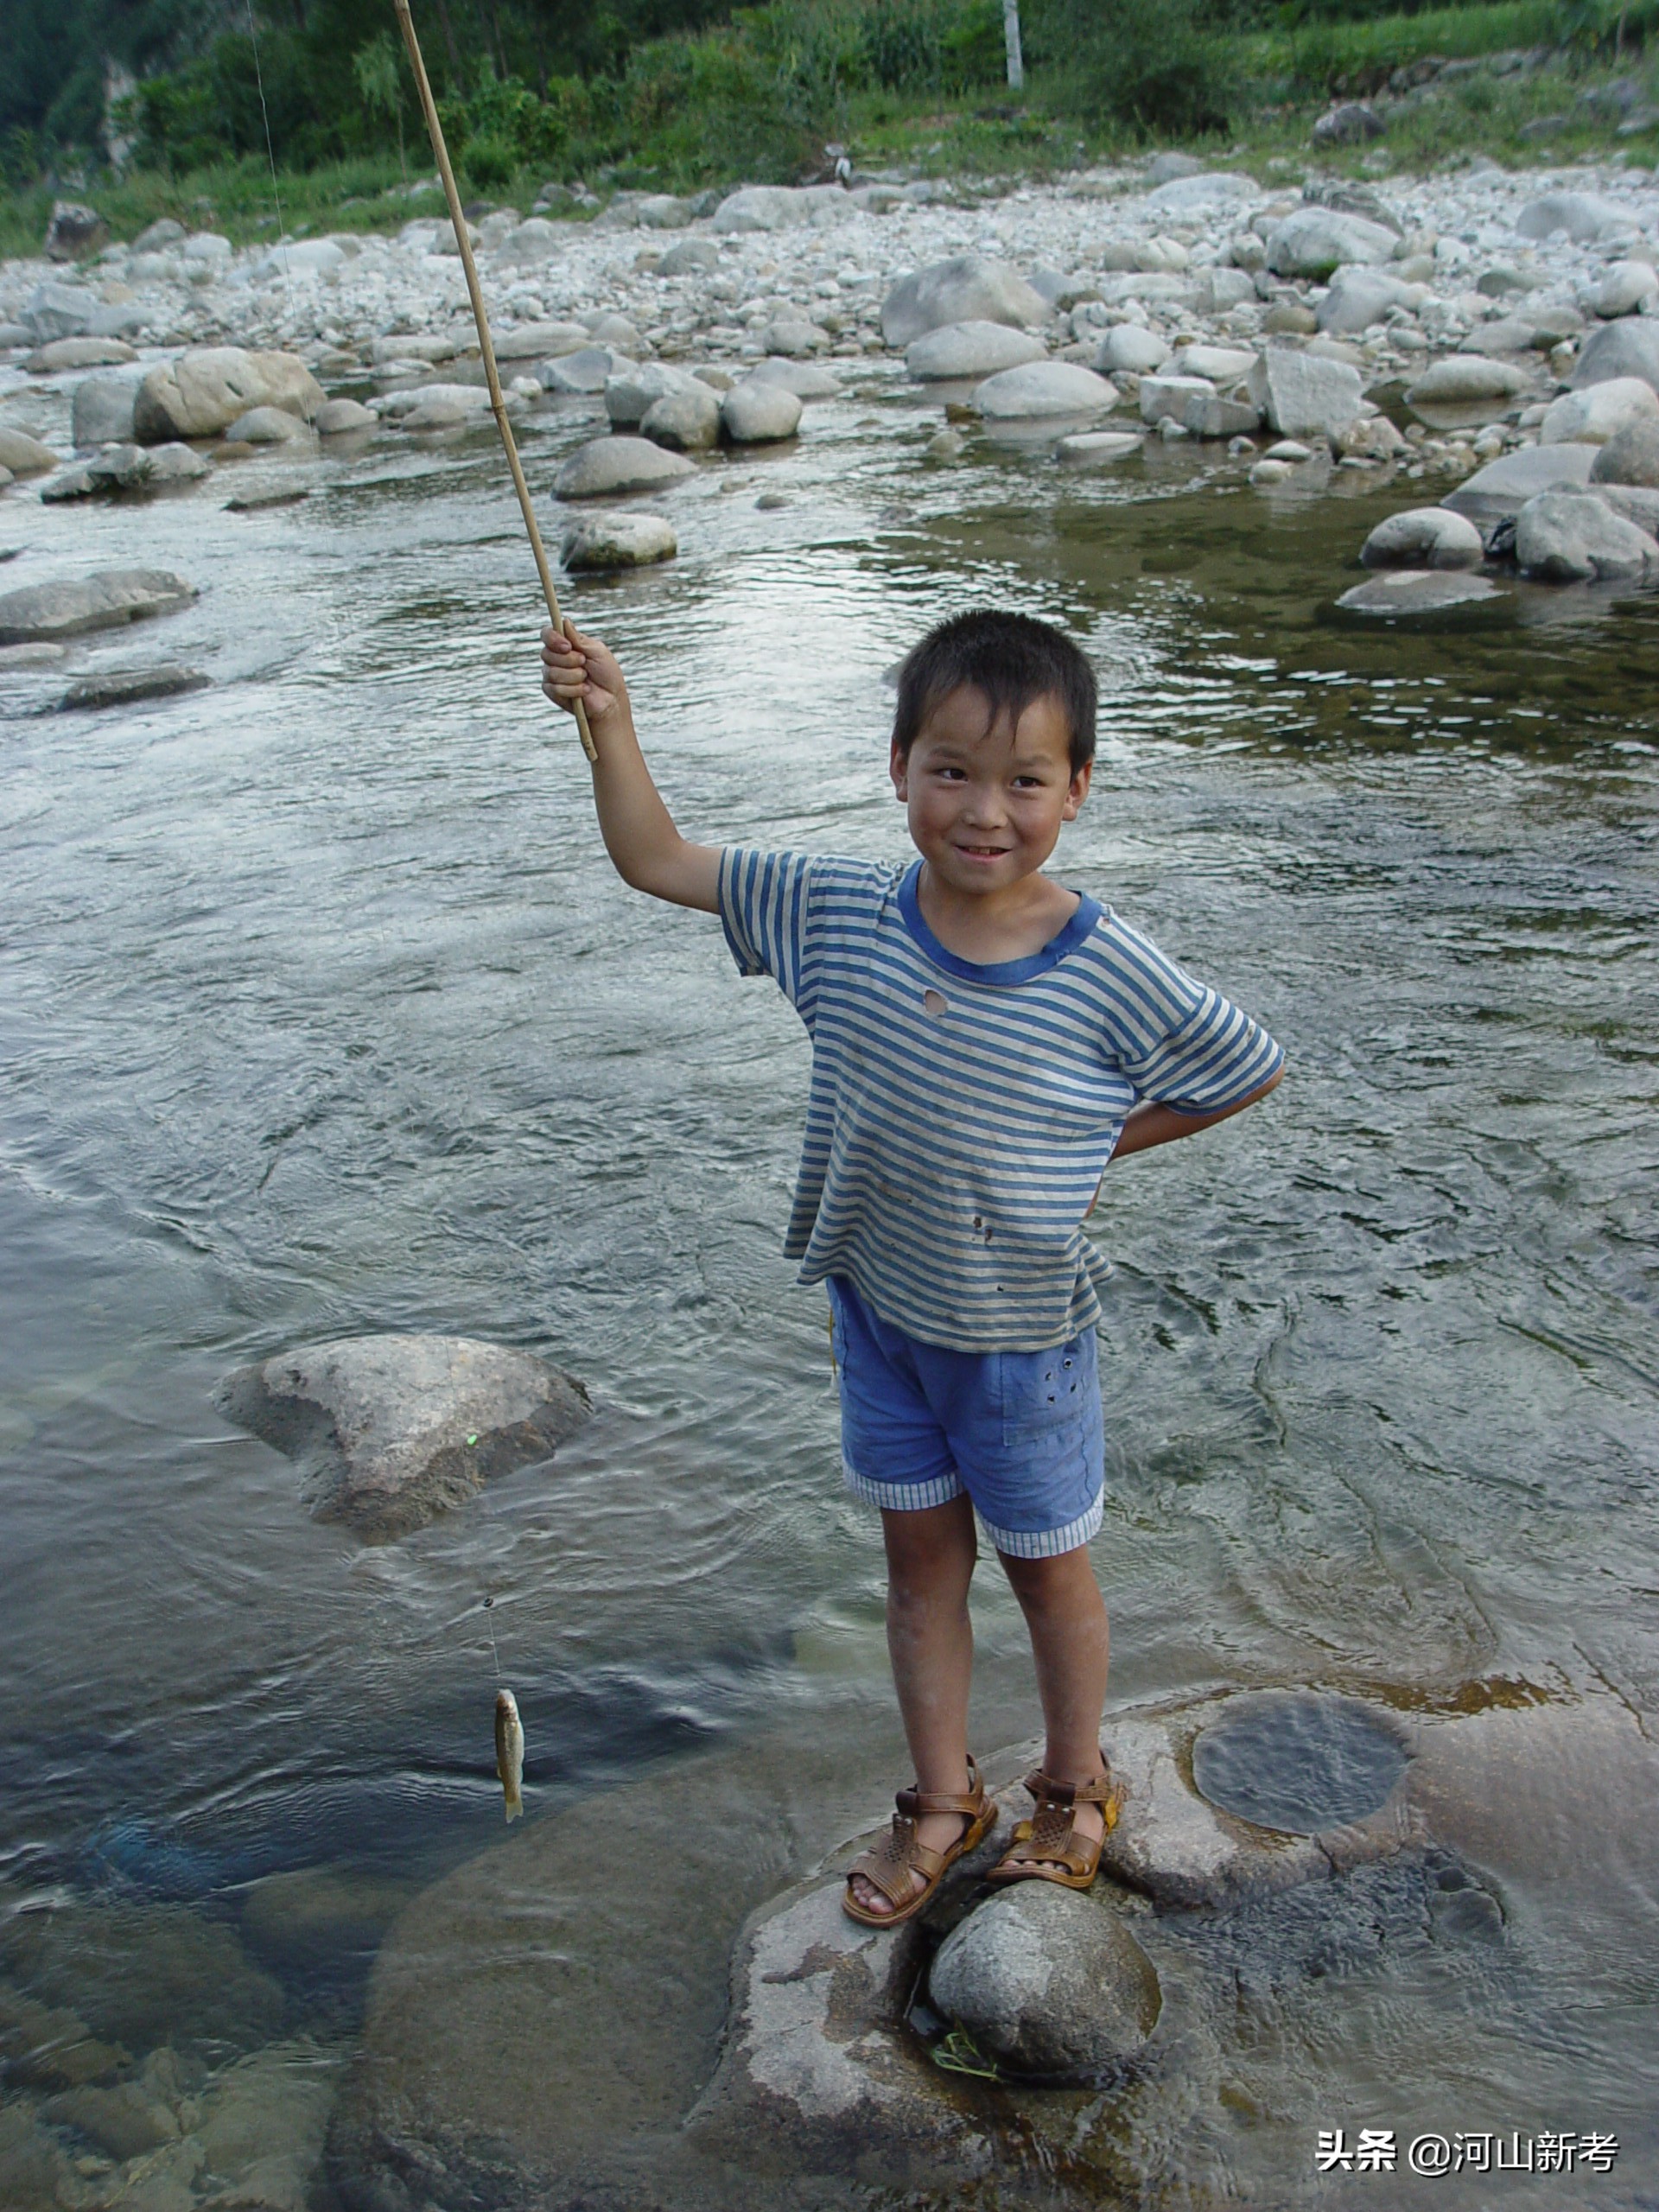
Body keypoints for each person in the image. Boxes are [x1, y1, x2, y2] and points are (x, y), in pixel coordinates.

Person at [542, 606, 1284, 1926]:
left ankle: (1071, 1785)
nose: (982, 811)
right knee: (918, 1567)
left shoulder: (1105, 963)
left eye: (1024, 782)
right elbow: (653, 858)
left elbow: (1244, 1066)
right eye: (950, 771)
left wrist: (1095, 1145)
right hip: (879, 1309)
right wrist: (610, 721)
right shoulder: (831, 909)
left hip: (1019, 1332)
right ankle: (945, 1798)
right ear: (898, 769)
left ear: (1077, 791)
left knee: (1049, 1567)